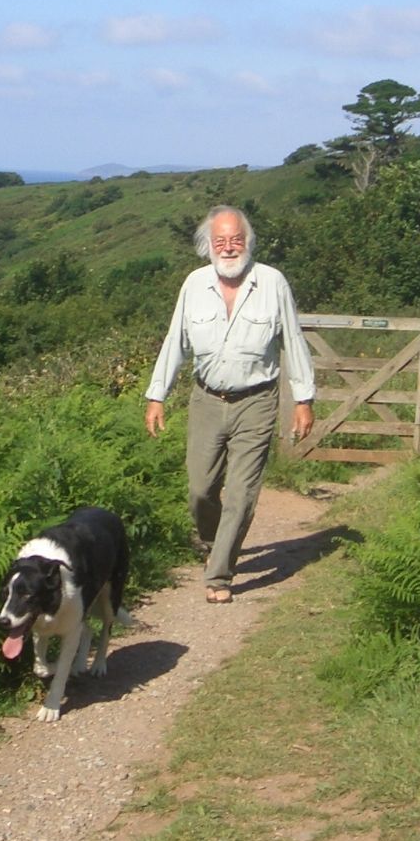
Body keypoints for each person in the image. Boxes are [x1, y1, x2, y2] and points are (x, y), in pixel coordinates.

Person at [144, 206, 315, 604]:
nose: (228, 247)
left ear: (248, 242)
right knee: (201, 490)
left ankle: (219, 575)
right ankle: (211, 540)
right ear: (208, 245)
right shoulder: (193, 284)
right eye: (220, 240)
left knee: (241, 492)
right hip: (205, 399)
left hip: (256, 402)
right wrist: (157, 395)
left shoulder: (272, 283)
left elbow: (294, 339)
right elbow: (175, 342)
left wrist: (304, 399)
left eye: (235, 239)